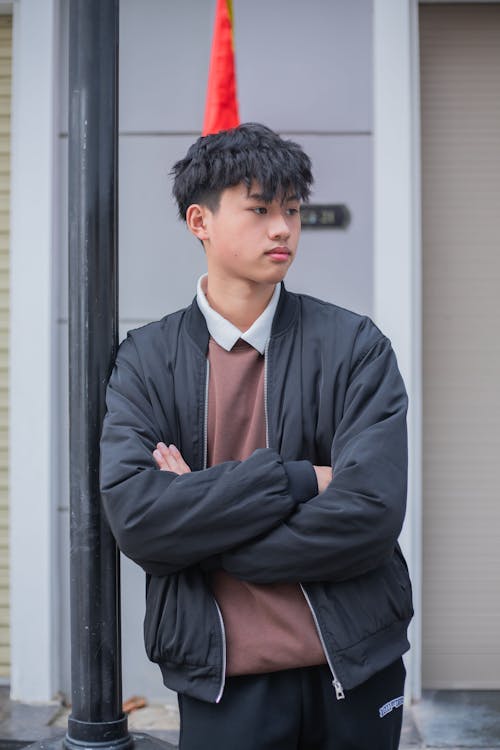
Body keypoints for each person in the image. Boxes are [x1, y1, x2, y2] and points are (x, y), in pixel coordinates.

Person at [100, 122, 413, 750]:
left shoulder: (354, 346)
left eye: (292, 211)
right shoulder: (146, 359)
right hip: (223, 680)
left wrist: (208, 538)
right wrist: (297, 478)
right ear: (200, 221)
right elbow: (139, 520)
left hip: (353, 664)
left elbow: (372, 510)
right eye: (261, 209)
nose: (283, 229)